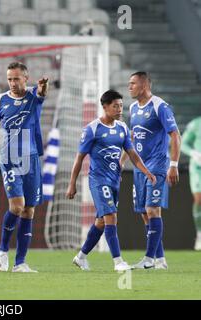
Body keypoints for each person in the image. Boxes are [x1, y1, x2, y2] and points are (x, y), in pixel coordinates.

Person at [67, 90, 156, 271]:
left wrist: (147, 172)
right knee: (111, 217)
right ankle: (118, 262)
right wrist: (72, 184)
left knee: (101, 221)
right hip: (98, 180)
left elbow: (132, 154)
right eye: (115, 106)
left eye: (121, 106)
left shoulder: (123, 128)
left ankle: (80, 257)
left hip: (114, 179)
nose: (119, 109)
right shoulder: (92, 129)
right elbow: (79, 158)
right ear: (105, 106)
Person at [0, 62, 48, 273]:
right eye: (9, 79)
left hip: (31, 158)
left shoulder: (33, 96)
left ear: (26, 78)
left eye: (16, 78)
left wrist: (42, 86)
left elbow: (41, 93)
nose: (13, 83)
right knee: (17, 206)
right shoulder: (0, 100)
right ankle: (2, 251)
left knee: (29, 210)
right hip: (10, 159)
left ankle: (20, 263)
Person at [121, 71, 181, 269]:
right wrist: (122, 160)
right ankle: (160, 260)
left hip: (157, 165)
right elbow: (132, 136)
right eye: (129, 83)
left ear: (144, 86)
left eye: (133, 83)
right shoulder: (133, 108)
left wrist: (173, 164)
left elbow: (175, 135)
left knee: (152, 209)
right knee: (144, 213)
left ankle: (148, 259)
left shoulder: (160, 106)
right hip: (139, 167)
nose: (129, 87)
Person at [181, 116, 201, 250]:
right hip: (198, 168)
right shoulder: (196, 123)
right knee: (199, 199)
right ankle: (200, 234)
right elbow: (183, 144)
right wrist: (194, 153)